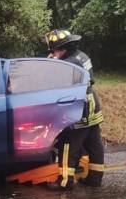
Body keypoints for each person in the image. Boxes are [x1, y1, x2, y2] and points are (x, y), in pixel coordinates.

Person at [44, 29, 105, 190]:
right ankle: (95, 178)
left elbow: (54, 80)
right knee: (94, 143)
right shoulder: (81, 55)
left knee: (68, 143)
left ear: (63, 48)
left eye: (55, 50)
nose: (54, 53)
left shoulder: (69, 63)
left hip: (79, 108)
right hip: (91, 103)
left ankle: (65, 181)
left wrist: (51, 63)